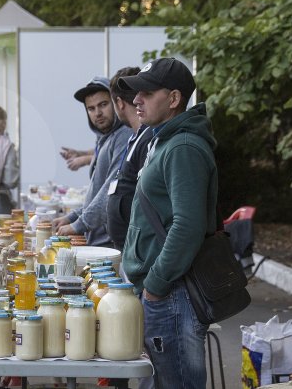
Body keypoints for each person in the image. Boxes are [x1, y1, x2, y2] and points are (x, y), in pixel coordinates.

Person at [119, 57, 216, 388]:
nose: (136, 101)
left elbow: (187, 226)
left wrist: (156, 286)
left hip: (173, 293)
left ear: (173, 99)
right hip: (165, 291)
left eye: (146, 93)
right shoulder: (166, 139)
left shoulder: (183, 146)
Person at [52, 77, 133, 247]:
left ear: (116, 103)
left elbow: (112, 190)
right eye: (91, 108)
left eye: (103, 104)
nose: (97, 113)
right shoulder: (104, 138)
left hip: (112, 243)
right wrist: (72, 216)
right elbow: (96, 193)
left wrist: (78, 224)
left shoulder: (124, 135)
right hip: (98, 240)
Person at [106, 66, 154, 250]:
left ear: (119, 103)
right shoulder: (136, 136)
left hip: (139, 252)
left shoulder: (148, 138)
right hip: (129, 249)